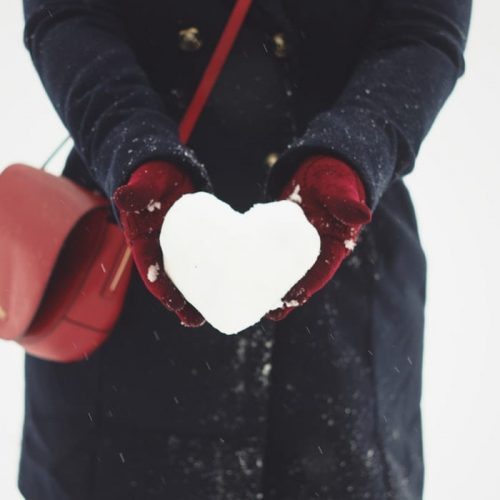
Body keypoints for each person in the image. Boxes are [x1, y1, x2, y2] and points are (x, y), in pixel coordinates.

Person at [19, 0, 471, 499]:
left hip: (344, 272)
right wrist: (132, 150)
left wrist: (353, 157)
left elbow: (423, 29)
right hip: (128, 249)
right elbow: (67, 14)